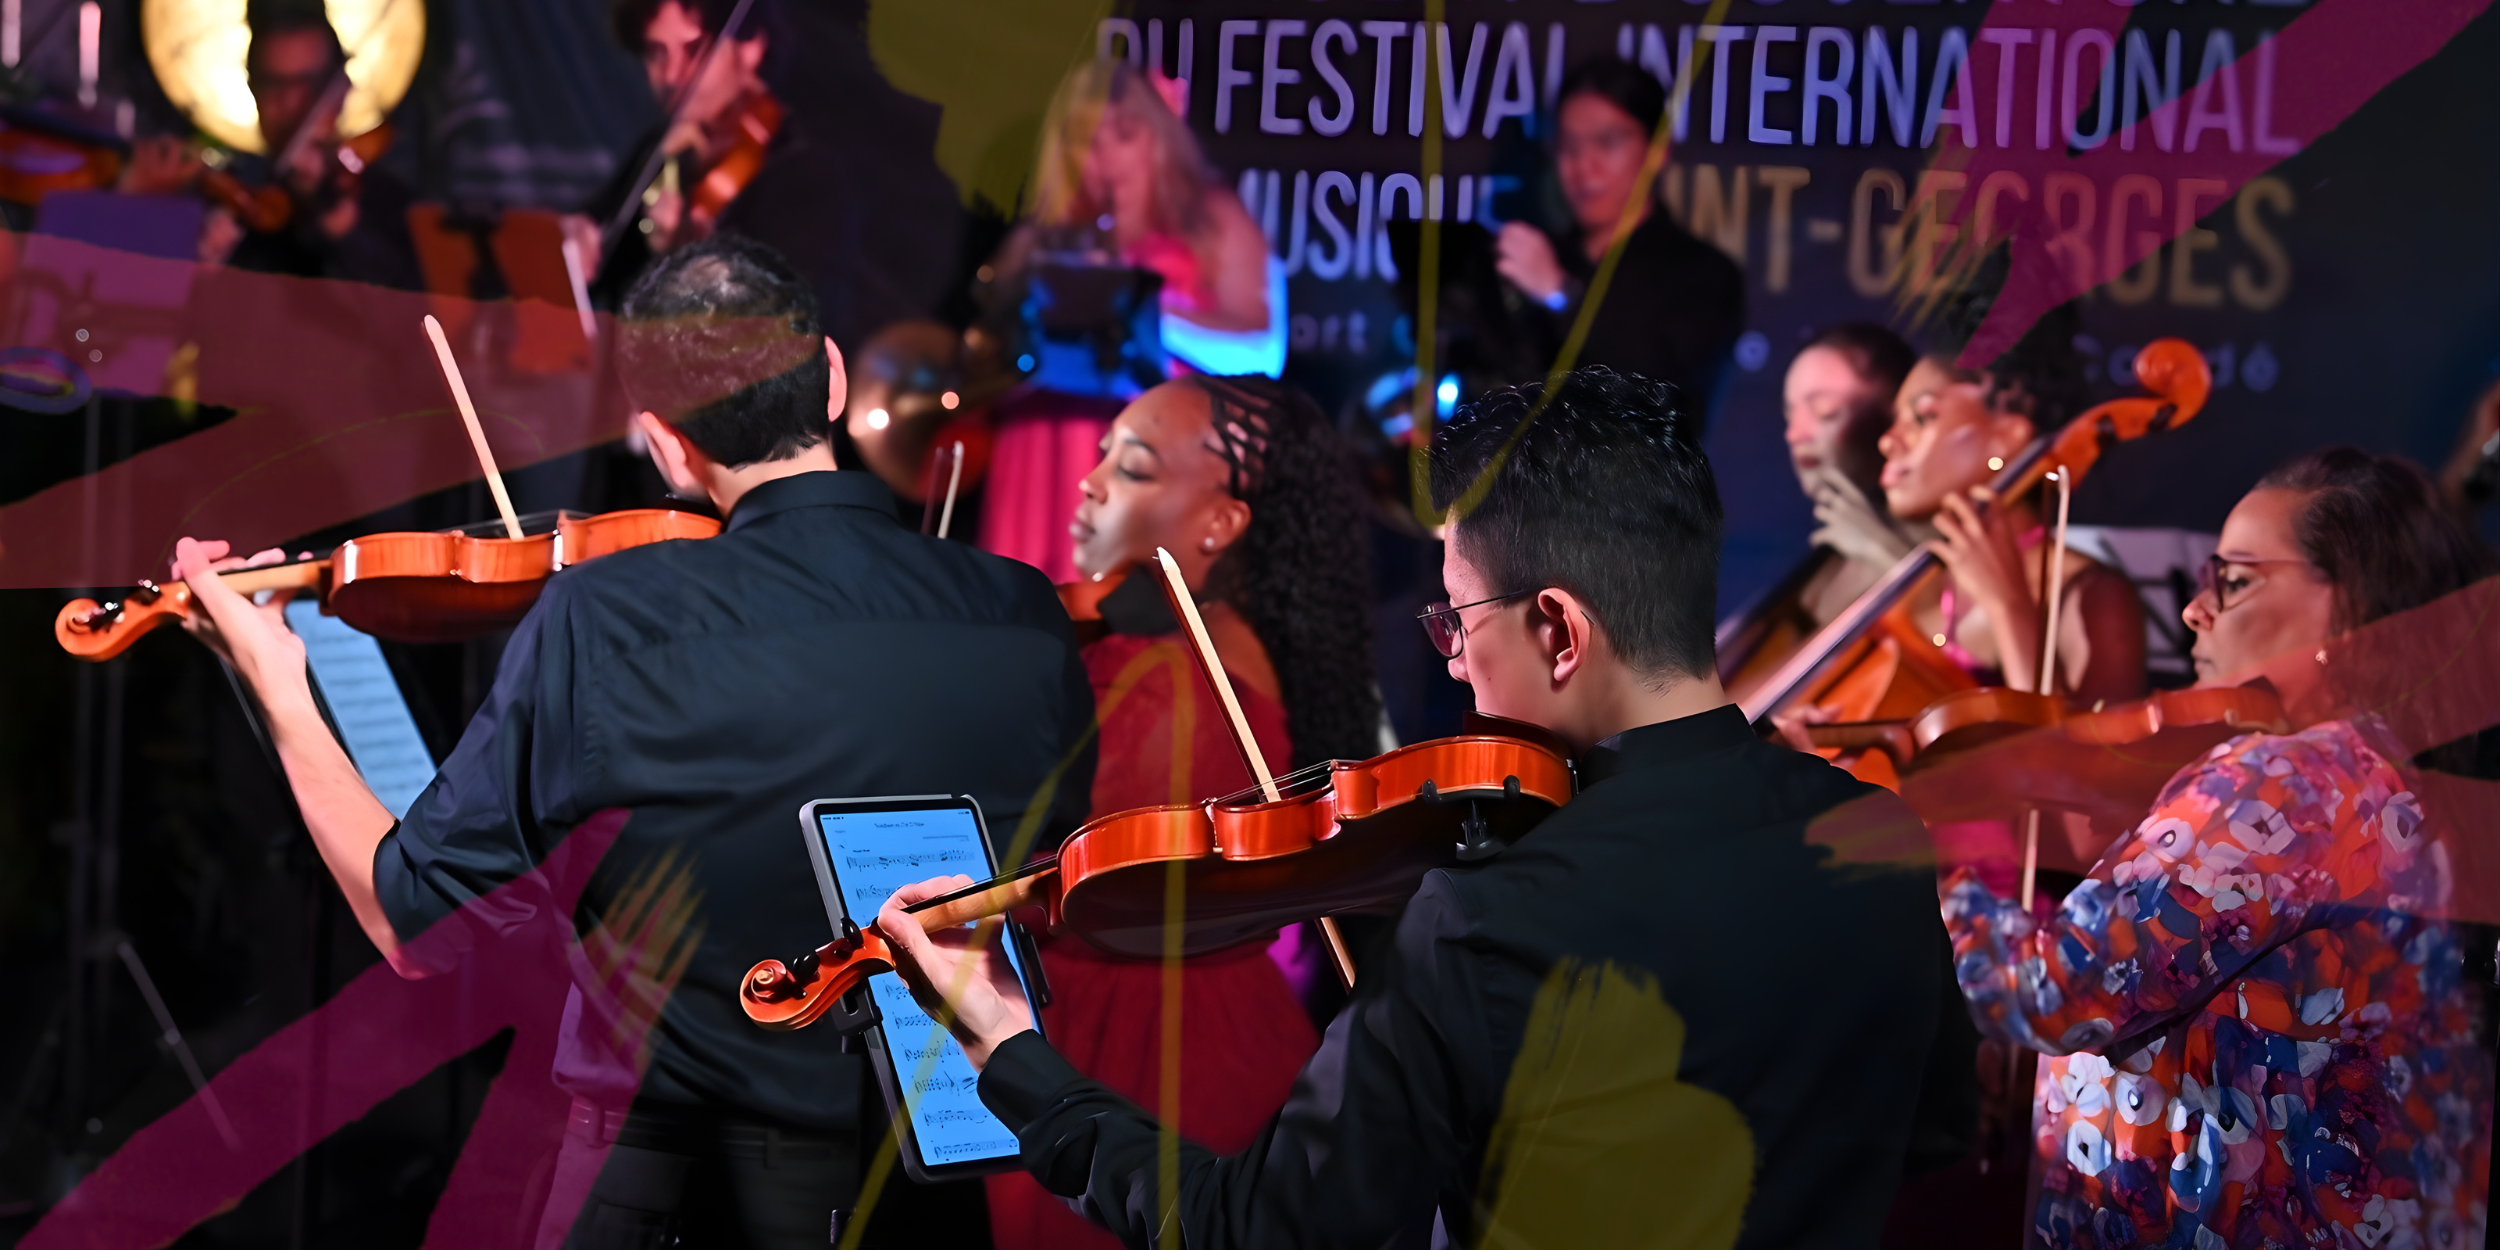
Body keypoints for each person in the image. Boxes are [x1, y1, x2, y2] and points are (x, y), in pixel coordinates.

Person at [879, 367, 1954, 1247]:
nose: (1456, 666)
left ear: (1558, 627)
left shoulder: (1492, 914)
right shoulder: (1877, 836)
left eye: (1458, 618)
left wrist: (1012, 1052)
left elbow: (1253, 1230)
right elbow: (1931, 1133)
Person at [167, 234, 1094, 1248]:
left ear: (661, 440)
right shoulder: (1022, 612)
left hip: (673, 1197)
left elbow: (413, 923)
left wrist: (277, 679)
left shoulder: (607, 618)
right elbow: (1037, 882)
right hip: (926, 1194)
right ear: (830, 376)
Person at [1943, 448, 2497, 1249]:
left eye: (2233, 581)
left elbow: (2048, 990)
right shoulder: (2394, 780)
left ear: (2352, 609)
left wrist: (1951, 857)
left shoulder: (2289, 780)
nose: (2196, 611)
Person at [984, 373, 1380, 1250]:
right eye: (1099, 458)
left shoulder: (1169, 684)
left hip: (1136, 1061)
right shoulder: (1210, 653)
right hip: (1220, 1033)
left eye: (1132, 468)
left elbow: (1070, 892)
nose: (1087, 485)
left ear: (1220, 522)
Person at [976, 58, 1284, 584]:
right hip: (1044, 454)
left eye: (1124, 133)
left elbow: (1264, 351)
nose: (1105, 156)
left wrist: (1138, 310)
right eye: (1085, 139)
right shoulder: (1038, 237)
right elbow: (988, 359)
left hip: (1151, 460)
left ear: (1158, 136)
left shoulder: (1210, 222)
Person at [587, 0, 963, 350]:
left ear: (750, 48)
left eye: (694, 50)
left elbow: (772, 336)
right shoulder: (665, 151)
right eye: (656, 54)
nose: (672, 76)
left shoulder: (805, 172)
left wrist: (686, 259)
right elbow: (601, 242)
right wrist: (580, 238)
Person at [1874, 299, 2145, 705]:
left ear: (2008, 436)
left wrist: (2010, 607)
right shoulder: (1917, 587)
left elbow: (2090, 766)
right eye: (1895, 419)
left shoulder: (2091, 595)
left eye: (1923, 417)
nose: (1888, 440)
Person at [1493, 60, 1744, 422]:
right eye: (1569, 146)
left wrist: (1560, 295)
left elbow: (1656, 392)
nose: (1584, 167)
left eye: (1607, 143)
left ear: (1658, 150)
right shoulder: (1548, 258)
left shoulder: (1704, 274)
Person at [118, 0, 418, 284]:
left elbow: (407, 324)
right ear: (252, 90)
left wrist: (341, 224)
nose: (290, 103)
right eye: (274, 84)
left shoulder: (383, 202)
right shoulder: (224, 202)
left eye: (308, 85)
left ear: (341, 91)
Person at [1720, 324, 1921, 701]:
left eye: (1825, 411)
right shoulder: (1819, 565)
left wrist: (1884, 555)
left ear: (1894, 413)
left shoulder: (1932, 552)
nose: (1795, 433)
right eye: (1789, 412)